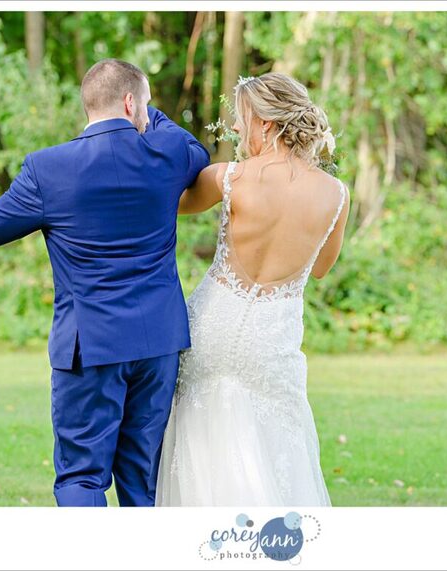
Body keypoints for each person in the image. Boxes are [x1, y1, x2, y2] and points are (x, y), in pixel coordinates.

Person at [0, 58, 210, 506]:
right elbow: (192, 147)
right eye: (143, 104)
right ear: (128, 102)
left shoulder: (48, 169)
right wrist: (147, 110)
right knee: (144, 481)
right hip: (158, 342)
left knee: (82, 477)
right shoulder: (167, 154)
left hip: (90, 347)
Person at [155, 72, 349, 506]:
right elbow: (320, 268)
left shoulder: (230, 178)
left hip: (213, 326)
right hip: (273, 338)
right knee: (278, 449)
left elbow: (166, 205)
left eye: (241, 118)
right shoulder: (336, 194)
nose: (237, 129)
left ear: (265, 122)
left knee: (199, 442)